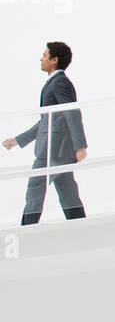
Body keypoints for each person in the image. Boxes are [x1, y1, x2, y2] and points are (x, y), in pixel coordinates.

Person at [2, 41, 88, 224]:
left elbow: (72, 112)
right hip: (57, 150)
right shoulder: (54, 83)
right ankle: (80, 225)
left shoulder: (60, 83)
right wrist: (18, 140)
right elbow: (46, 121)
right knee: (67, 190)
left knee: (35, 188)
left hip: (52, 150)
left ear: (54, 60)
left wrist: (80, 146)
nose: (41, 58)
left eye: (44, 55)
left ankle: (27, 229)